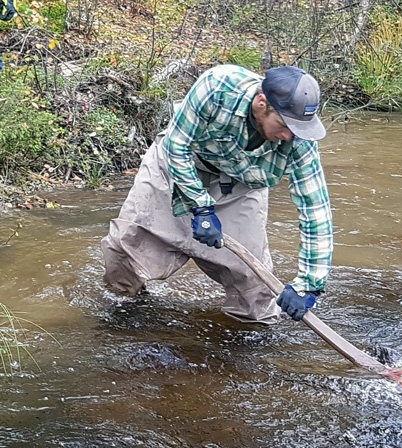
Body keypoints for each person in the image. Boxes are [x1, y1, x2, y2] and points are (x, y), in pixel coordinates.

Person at [101, 64, 333, 324]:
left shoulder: (300, 140)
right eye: (283, 124)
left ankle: (247, 344)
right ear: (261, 103)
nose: (289, 135)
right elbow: (177, 147)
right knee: (124, 252)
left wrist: (310, 284)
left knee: (254, 290)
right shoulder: (217, 86)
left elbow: (316, 210)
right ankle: (121, 319)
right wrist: (201, 207)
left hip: (240, 186)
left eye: (298, 128)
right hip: (176, 166)